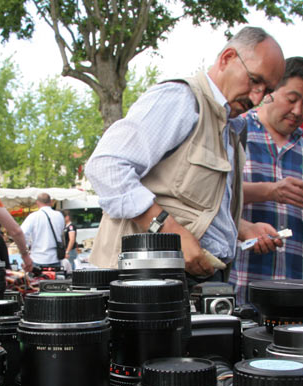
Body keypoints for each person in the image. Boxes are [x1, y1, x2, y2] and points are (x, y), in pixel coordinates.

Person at [84, 26, 286, 281]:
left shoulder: (229, 127)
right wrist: (170, 231)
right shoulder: (181, 99)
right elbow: (106, 166)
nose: (257, 97)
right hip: (147, 282)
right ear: (227, 58)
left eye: (267, 92)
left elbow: (190, 204)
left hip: (188, 280)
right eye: (255, 80)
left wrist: (242, 229)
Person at [229, 57, 303, 304]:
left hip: (297, 285)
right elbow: (214, 192)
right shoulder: (236, 132)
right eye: (292, 99)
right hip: (241, 280)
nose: (298, 111)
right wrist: (271, 191)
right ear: (270, 91)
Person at [20, 193, 65, 268]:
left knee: (38, 279)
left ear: (37, 203)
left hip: (38, 258)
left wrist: (27, 247)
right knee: (56, 279)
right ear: (51, 202)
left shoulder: (33, 216)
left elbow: (22, 233)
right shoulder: (59, 215)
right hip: (55, 258)